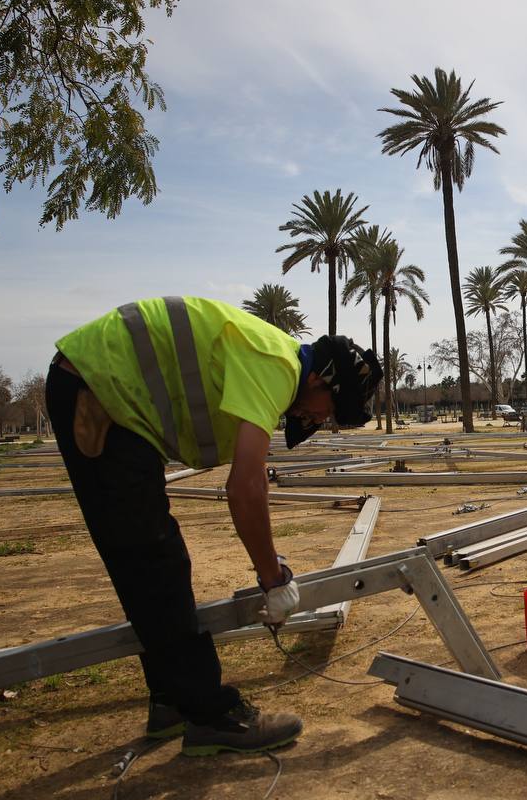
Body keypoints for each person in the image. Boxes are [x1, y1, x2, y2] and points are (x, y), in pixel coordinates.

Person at [46, 296, 381, 756]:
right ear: (318, 379)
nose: (323, 419)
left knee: (145, 559)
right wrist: (273, 578)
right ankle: (209, 715)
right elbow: (245, 487)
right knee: (154, 558)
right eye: (332, 408)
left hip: (103, 389)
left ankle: (172, 699)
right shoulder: (278, 365)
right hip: (99, 389)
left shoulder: (274, 359)